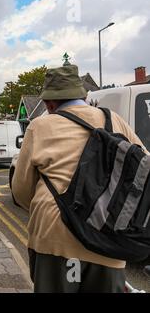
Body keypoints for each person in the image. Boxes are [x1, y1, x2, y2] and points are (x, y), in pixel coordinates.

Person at [12, 64, 148, 293]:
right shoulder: (113, 119)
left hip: (55, 238)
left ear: (49, 103)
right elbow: (144, 168)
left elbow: (21, 191)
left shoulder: (40, 126)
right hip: (108, 238)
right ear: (84, 96)